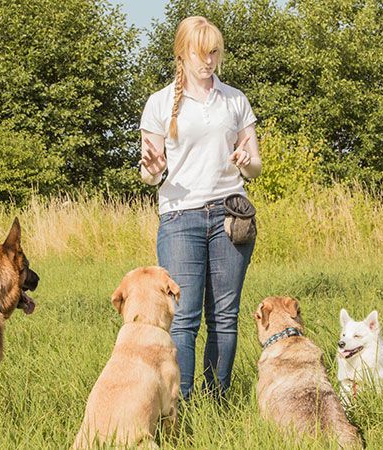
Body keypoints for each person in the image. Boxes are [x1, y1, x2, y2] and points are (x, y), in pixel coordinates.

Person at [138, 15, 261, 400]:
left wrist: (245, 159)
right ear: (182, 52)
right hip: (180, 217)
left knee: (224, 318)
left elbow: (255, 166)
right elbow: (149, 174)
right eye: (201, 53)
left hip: (230, 216)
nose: (209, 61)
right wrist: (154, 169)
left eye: (215, 53)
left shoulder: (235, 99)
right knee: (184, 319)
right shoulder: (159, 103)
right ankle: (183, 404)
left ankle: (217, 401)